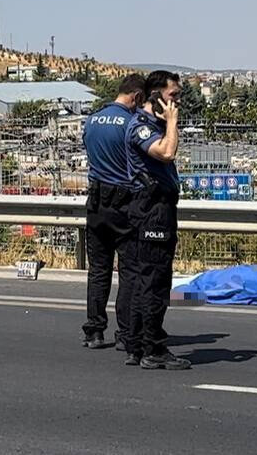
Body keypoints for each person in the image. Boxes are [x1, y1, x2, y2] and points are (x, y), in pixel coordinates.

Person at [123, 70, 190, 370]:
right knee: (154, 280)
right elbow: (166, 153)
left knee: (144, 278)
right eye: (173, 96)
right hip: (151, 209)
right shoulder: (141, 128)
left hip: (156, 208)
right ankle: (153, 348)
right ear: (154, 97)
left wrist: (168, 122)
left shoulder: (155, 125)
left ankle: (137, 344)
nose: (177, 103)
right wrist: (172, 123)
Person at [80, 74, 146, 350]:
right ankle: (126, 332)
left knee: (98, 270)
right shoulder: (132, 123)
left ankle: (94, 331)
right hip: (123, 203)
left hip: (96, 203)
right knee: (129, 270)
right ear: (137, 97)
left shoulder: (92, 120)